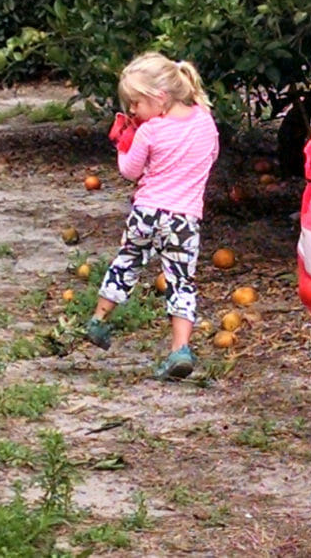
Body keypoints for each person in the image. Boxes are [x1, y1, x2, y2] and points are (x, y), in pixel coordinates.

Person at [84, 53, 219, 381]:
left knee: (126, 262)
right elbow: (211, 155)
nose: (132, 111)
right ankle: (180, 350)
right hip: (184, 221)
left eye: (135, 103)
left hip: (147, 213)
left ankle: (99, 320)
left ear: (159, 98)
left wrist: (121, 142)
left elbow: (130, 171)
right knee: (180, 281)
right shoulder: (205, 122)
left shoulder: (150, 131)